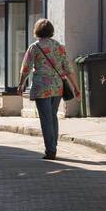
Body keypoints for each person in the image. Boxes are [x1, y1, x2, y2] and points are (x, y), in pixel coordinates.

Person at [18, 18, 80, 159]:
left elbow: (26, 67)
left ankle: (50, 150)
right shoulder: (59, 46)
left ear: (37, 30)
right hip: (57, 86)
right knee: (52, 116)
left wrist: (21, 83)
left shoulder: (34, 47)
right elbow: (68, 68)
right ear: (51, 31)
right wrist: (75, 87)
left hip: (42, 87)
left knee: (46, 118)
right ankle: (53, 145)